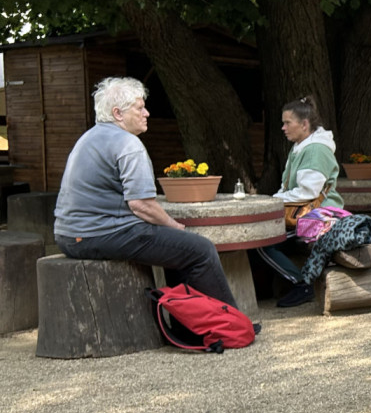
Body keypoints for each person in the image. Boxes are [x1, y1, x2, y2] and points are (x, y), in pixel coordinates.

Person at [53, 76, 241, 309]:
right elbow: (141, 205)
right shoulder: (127, 144)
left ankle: (191, 329)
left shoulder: (88, 138)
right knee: (200, 249)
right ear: (118, 113)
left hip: (67, 236)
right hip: (99, 235)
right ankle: (229, 322)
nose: (147, 113)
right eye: (140, 108)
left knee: (179, 249)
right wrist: (175, 226)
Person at [257, 95, 345, 307]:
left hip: (320, 216)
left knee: (264, 241)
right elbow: (290, 188)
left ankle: (302, 284)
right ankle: (268, 287)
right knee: (263, 237)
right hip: (306, 214)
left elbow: (307, 192)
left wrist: (273, 200)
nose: (283, 128)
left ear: (304, 124)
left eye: (288, 122)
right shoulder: (302, 147)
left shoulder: (315, 149)